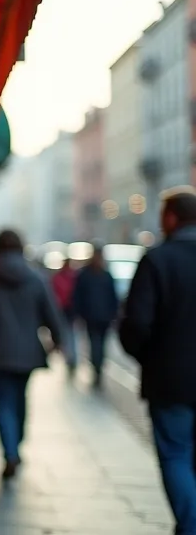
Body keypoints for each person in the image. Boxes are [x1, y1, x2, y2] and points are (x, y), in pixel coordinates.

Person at [119, 188, 196, 534]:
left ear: (170, 218)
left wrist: (152, 358)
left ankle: (191, 524)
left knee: (176, 454)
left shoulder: (158, 259)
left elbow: (135, 323)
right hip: (172, 377)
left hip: (170, 379)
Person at [0, 229, 65, 480]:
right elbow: (51, 313)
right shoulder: (35, 277)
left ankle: (9, 450)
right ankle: (15, 445)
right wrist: (58, 340)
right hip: (27, 351)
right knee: (20, 398)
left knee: (2, 401)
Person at [71, 248, 118, 389]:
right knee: (95, 344)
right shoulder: (87, 275)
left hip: (102, 317)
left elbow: (112, 297)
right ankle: (96, 366)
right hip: (92, 316)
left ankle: (98, 366)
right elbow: (78, 295)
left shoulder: (104, 275)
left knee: (99, 344)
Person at [51, 262, 79, 373]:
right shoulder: (71, 277)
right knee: (69, 333)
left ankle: (71, 357)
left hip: (66, 309)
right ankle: (70, 356)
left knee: (69, 333)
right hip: (64, 308)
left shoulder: (65, 277)